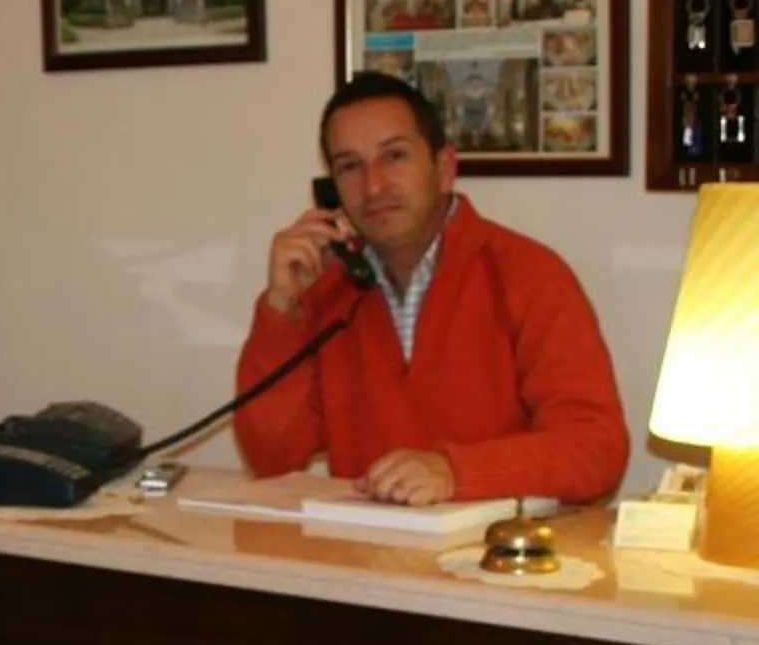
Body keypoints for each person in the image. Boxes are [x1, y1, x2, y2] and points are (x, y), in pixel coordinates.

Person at [236, 75, 627, 508]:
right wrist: (281, 312)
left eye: (395, 156)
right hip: (361, 558)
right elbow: (271, 458)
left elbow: (597, 450)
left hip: (500, 559)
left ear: (444, 169)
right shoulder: (330, 290)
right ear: (331, 188)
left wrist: (454, 472)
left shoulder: (528, 275)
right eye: (350, 166)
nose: (374, 186)